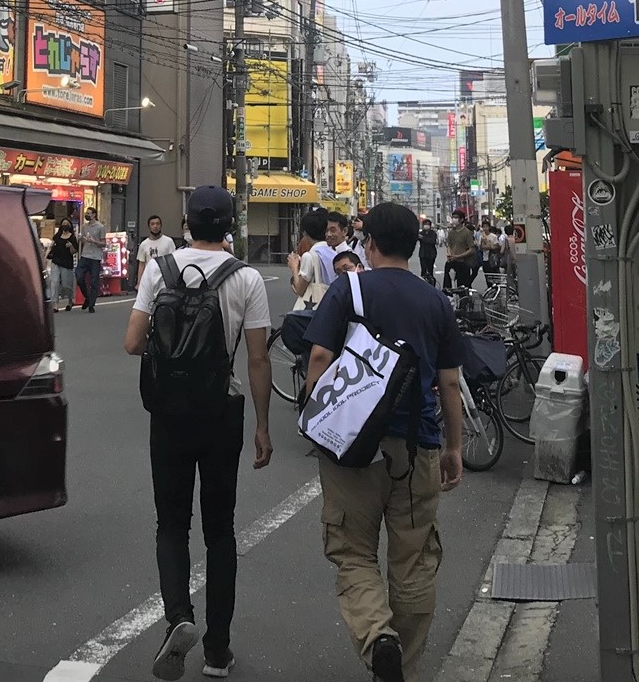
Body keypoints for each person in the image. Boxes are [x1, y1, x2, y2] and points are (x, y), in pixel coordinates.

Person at [304, 202, 465, 682]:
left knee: (352, 550)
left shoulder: (348, 288)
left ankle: (379, 638)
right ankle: (403, 668)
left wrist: (319, 417)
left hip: (353, 447)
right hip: (417, 444)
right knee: (413, 556)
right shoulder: (434, 301)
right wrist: (453, 448)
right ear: (415, 247)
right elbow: (450, 383)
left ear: (368, 243)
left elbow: (317, 356)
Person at [124, 186, 274, 680]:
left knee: (170, 523)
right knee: (220, 530)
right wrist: (264, 427)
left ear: (186, 222)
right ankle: (217, 651)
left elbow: (131, 343)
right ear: (229, 225)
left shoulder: (158, 269)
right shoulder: (246, 278)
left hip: (167, 412)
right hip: (221, 413)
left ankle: (178, 618)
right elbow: (256, 358)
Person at [290, 208, 335, 311]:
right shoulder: (333, 252)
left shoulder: (310, 256)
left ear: (305, 233)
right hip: (331, 306)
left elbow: (300, 289)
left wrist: (294, 267)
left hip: (315, 309)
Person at [48, 218, 78, 312]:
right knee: (54, 282)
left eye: (66, 223)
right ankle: (55, 304)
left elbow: (74, 251)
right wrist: (45, 257)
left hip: (66, 263)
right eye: (63, 223)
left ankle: (70, 300)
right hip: (56, 261)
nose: (65, 225)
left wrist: (70, 246)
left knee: (66, 284)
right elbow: (51, 246)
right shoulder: (57, 236)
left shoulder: (72, 237)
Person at [443, 212, 476, 292]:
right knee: (447, 285)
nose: (454, 219)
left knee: (462, 287)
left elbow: (471, 249)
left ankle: (463, 302)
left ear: (461, 219)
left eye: (456, 218)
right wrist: (449, 254)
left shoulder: (466, 232)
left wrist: (458, 256)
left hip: (462, 262)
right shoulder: (451, 232)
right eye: (453, 217)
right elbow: (449, 245)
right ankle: (449, 300)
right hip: (451, 261)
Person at [416, 218, 439, 284]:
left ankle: (431, 284)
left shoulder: (433, 233)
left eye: (428, 224)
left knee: (430, 270)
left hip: (431, 254)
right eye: (425, 224)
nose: (426, 226)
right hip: (423, 254)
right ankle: (422, 283)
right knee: (423, 270)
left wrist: (423, 238)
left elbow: (432, 241)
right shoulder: (420, 233)